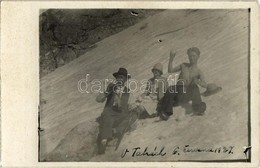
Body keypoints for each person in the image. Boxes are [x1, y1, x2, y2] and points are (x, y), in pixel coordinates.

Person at [96, 67, 138, 154]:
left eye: (122, 78)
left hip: (121, 114)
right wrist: (106, 91)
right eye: (118, 77)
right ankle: (104, 140)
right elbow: (99, 99)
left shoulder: (128, 91)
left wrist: (133, 108)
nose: (119, 79)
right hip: (110, 112)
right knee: (107, 117)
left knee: (132, 116)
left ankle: (115, 131)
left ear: (125, 80)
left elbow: (130, 105)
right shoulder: (111, 88)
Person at [158, 47, 207, 120]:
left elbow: (205, 85)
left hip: (187, 94)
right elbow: (170, 70)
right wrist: (171, 58)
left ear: (198, 57)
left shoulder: (198, 71)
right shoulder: (184, 65)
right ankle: (166, 113)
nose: (192, 58)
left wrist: (198, 82)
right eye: (190, 56)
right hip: (178, 91)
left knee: (195, 87)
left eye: (194, 56)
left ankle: (198, 108)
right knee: (171, 89)